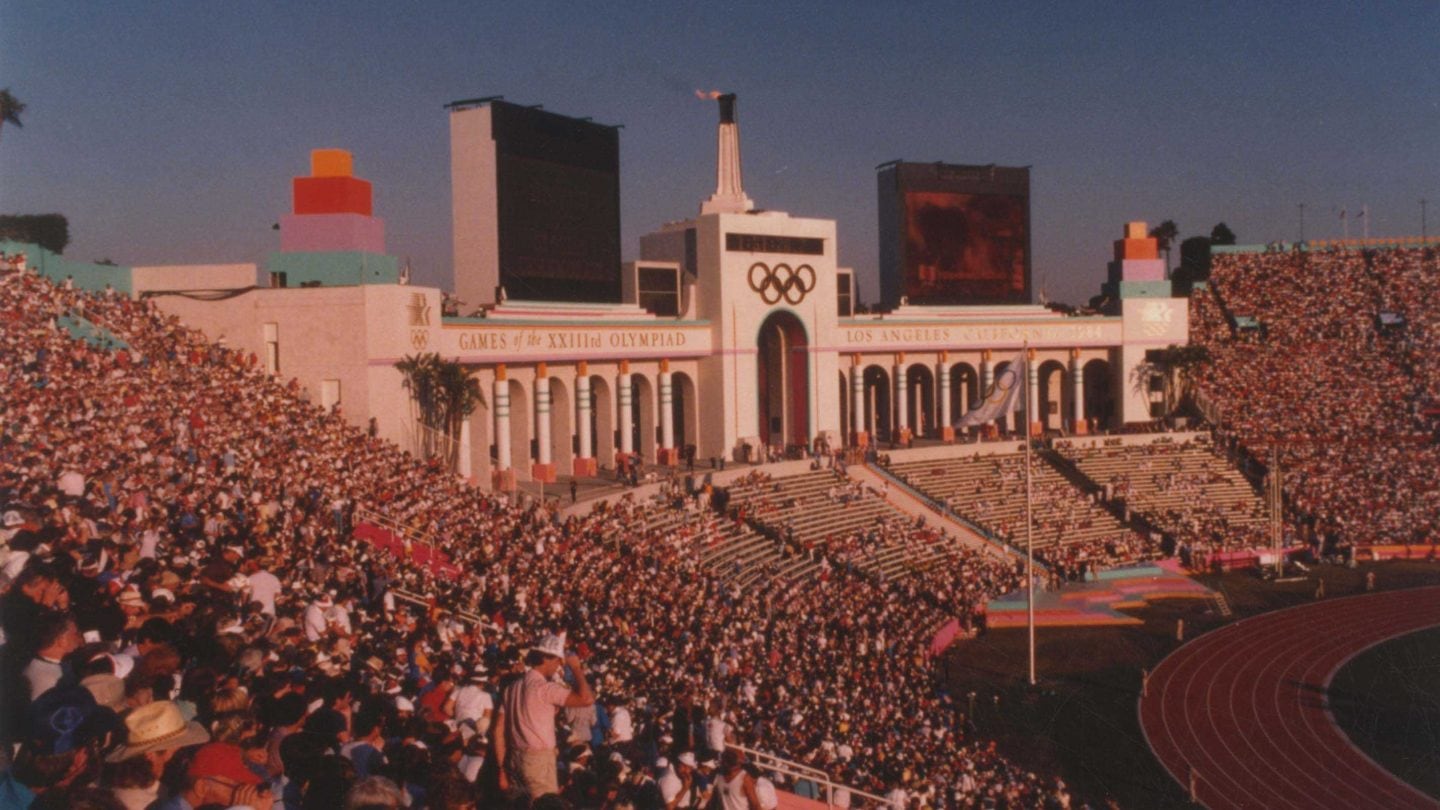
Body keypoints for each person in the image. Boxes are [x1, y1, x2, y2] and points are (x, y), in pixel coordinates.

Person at [494, 633, 594, 800]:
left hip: (514, 756)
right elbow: (587, 699)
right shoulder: (545, 688)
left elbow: (498, 730)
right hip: (538, 760)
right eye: (557, 661)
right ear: (547, 658)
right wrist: (576, 668)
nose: (558, 666)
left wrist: (501, 769)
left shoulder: (511, 688)